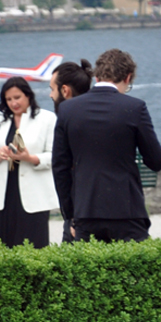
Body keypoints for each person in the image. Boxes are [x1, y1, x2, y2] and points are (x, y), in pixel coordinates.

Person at [52, 49, 161, 243]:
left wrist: (71, 216)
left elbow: (60, 167)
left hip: (85, 212)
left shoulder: (67, 109)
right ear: (128, 77)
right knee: (134, 271)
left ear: (97, 76)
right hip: (127, 211)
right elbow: (156, 161)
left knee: (89, 272)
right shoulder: (135, 108)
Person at [0, 77, 58, 249]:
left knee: (34, 246)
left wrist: (29, 158)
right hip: (5, 193)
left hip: (35, 194)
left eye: (17, 97)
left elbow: (54, 157)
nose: (13, 103)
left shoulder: (47, 118)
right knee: (2, 247)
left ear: (28, 96)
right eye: (9, 99)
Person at [48, 59, 93, 242]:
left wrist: (71, 216)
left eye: (52, 89)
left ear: (65, 90)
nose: (50, 95)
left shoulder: (67, 122)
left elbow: (62, 170)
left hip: (79, 213)